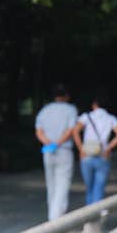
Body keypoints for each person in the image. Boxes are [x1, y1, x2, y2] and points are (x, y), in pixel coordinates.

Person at [35, 84, 78, 221]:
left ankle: (52, 214)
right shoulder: (71, 109)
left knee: (51, 183)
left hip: (48, 150)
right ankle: (56, 217)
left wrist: (48, 142)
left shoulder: (45, 110)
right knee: (63, 182)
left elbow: (39, 131)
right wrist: (58, 143)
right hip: (63, 149)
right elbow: (71, 130)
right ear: (66, 96)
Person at [72, 97, 117, 206]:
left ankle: (89, 215)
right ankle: (96, 216)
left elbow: (75, 131)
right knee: (99, 188)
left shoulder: (86, 116)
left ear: (95, 105)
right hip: (103, 155)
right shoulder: (111, 118)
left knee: (89, 188)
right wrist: (108, 148)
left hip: (86, 155)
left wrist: (80, 148)